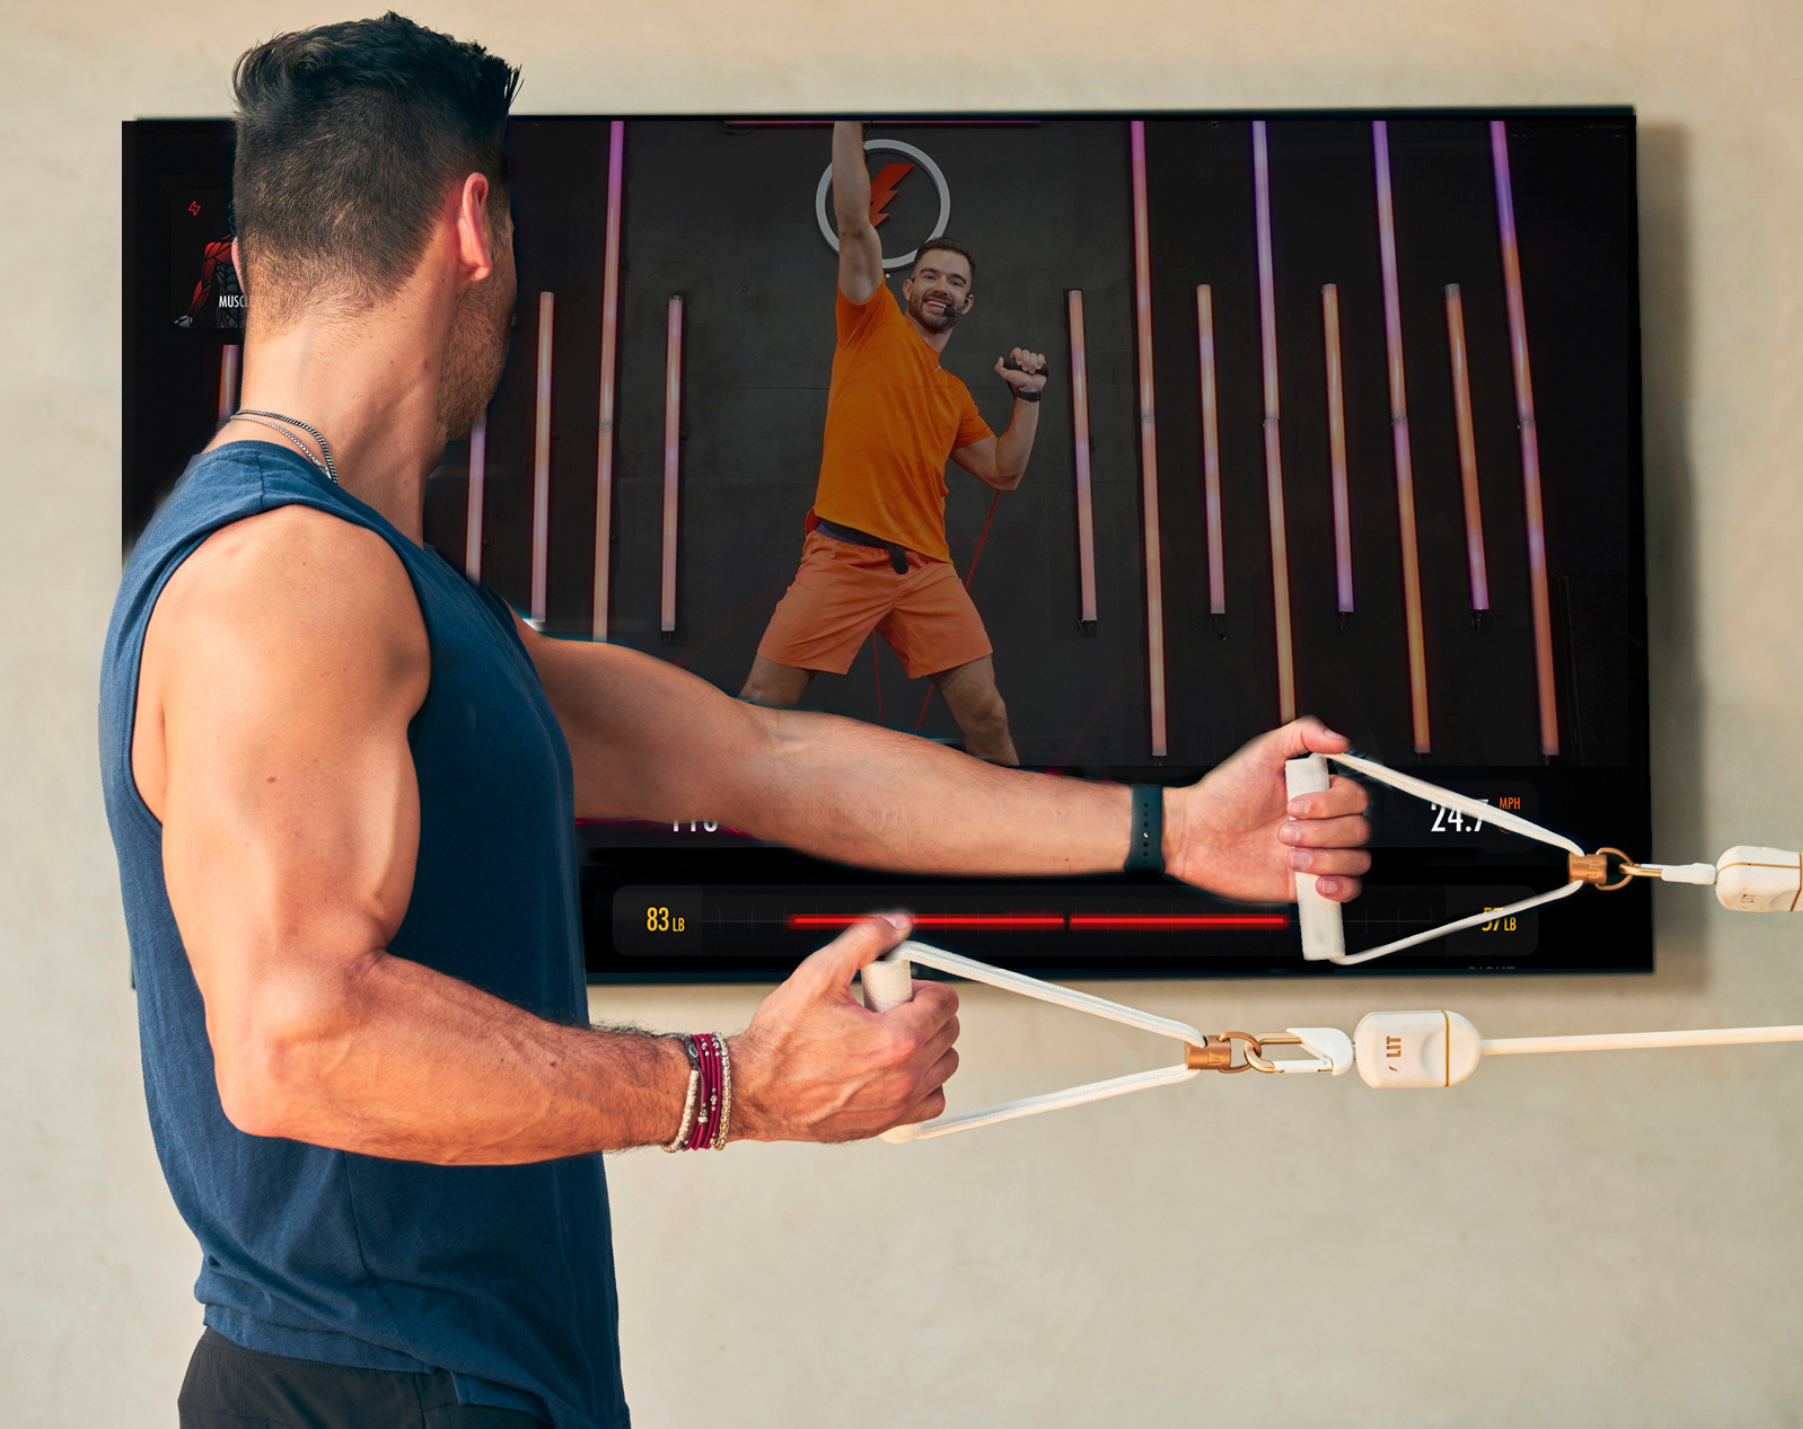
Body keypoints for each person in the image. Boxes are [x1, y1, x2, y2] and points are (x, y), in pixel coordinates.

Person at [100, 17, 1371, 1429]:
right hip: (371, 1393)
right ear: (476, 226)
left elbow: (762, 758)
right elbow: (296, 1040)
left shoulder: (378, 589)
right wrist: (736, 1089)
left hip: (455, 1385)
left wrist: (1175, 825)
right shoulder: (287, 581)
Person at [739, 120, 1043, 764]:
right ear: (907, 286)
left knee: (988, 715)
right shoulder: (871, 321)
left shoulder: (955, 393)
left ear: (969, 302)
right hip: (843, 556)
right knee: (760, 704)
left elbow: (1005, 471)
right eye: (931, 275)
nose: (942, 287)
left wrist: (1029, 398)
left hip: (925, 572)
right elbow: (855, 224)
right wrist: (847, 113)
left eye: (956, 281)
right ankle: (723, 841)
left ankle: (1022, 855)